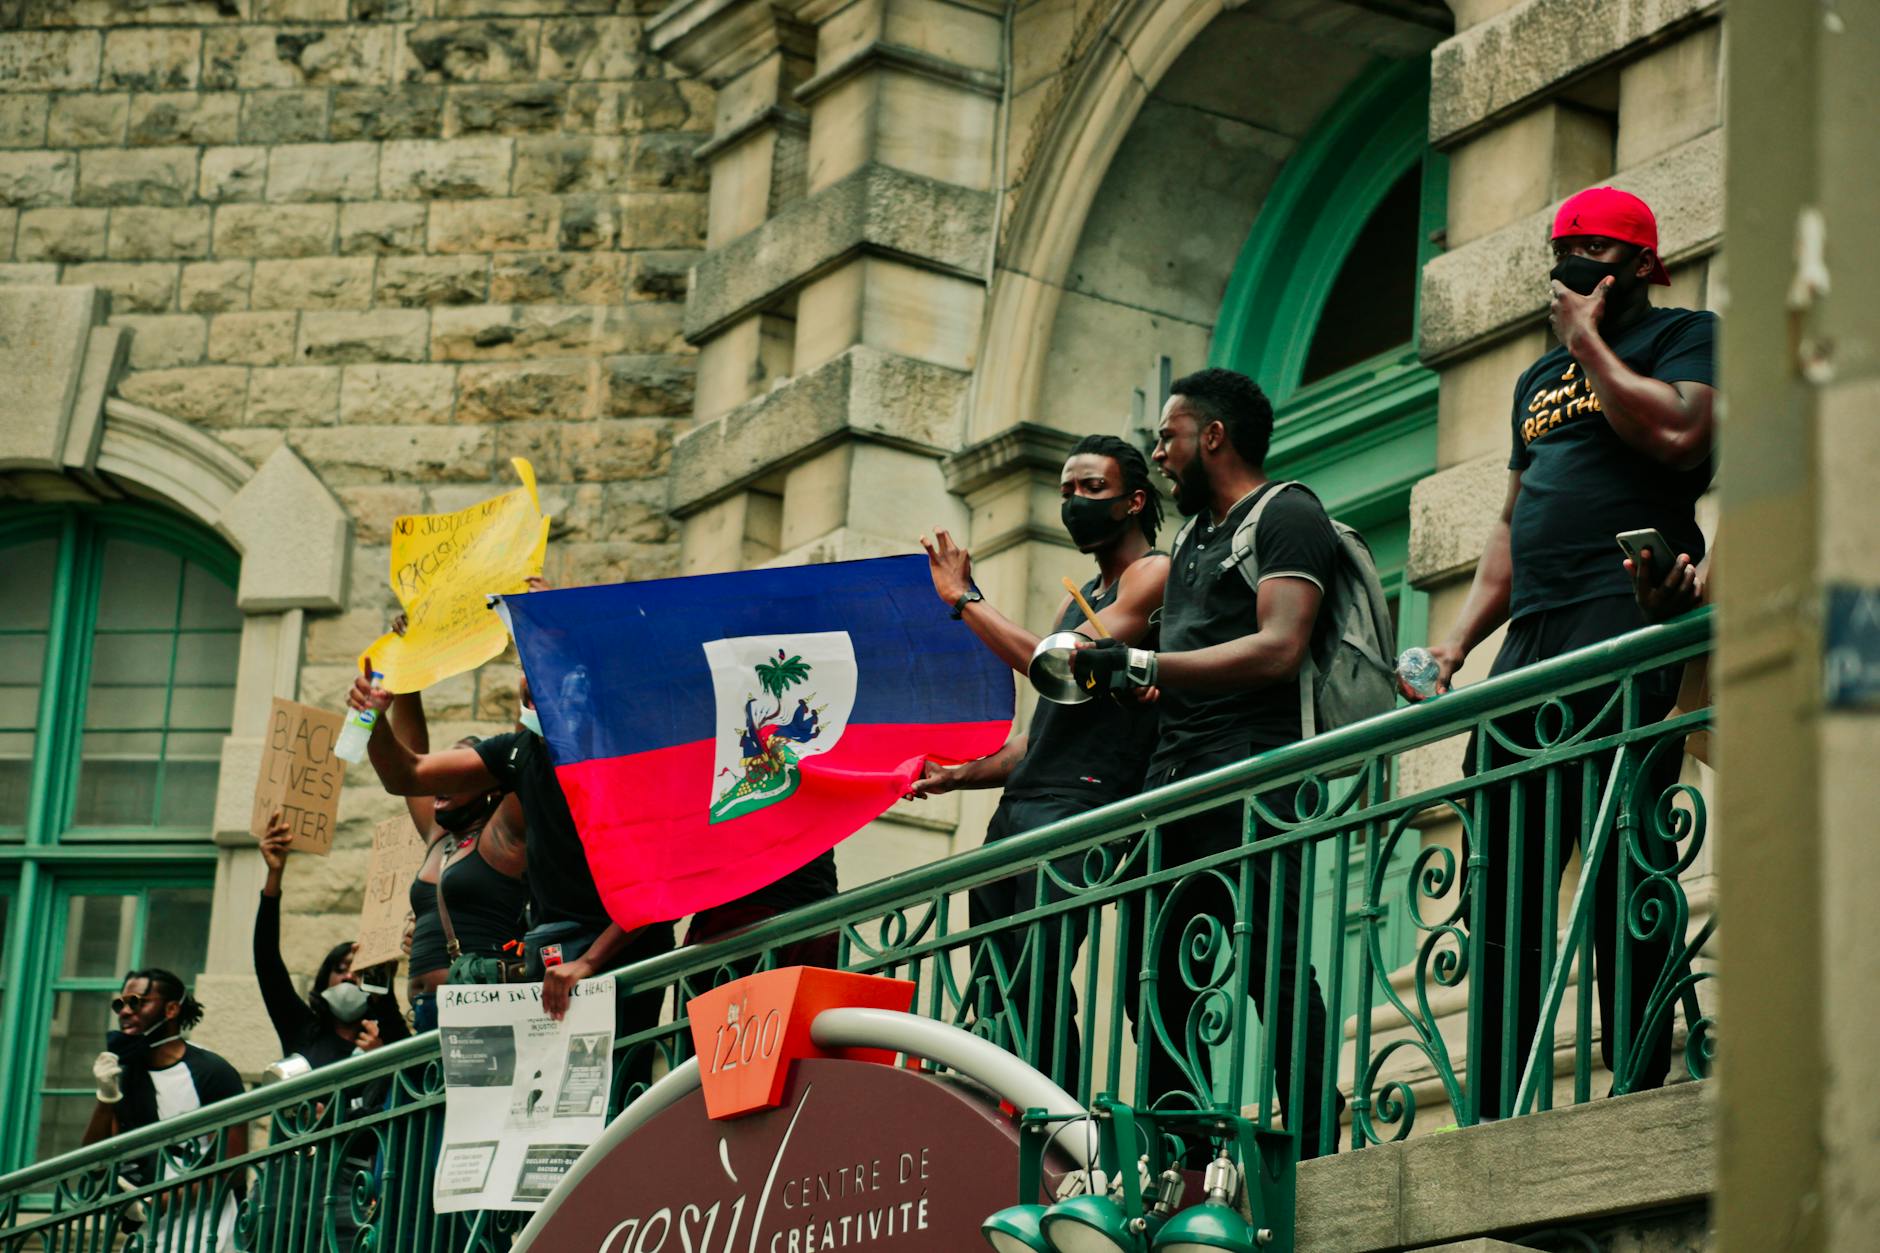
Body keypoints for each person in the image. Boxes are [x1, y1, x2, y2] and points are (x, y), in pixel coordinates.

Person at [1424, 186, 1716, 1117]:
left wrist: (1588, 343)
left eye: (1593, 250)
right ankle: (1502, 1097)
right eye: (1562, 249)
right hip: (1533, 639)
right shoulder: (1533, 383)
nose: (1572, 265)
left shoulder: (1682, 335)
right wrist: (1458, 642)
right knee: (1503, 862)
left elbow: (1680, 434)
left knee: (1623, 845)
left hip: (1626, 618)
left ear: (1639, 263)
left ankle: (1638, 1078)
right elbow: (1511, 520)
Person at [1070, 367, 1342, 1157]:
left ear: (1212, 436)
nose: (1158, 452)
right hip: (1172, 787)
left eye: (1168, 435)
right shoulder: (1189, 539)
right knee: (1152, 985)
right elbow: (1186, 663)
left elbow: (1279, 646)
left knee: (1274, 971)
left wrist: (1150, 667)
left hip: (1253, 779)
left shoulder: (1286, 512)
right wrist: (1141, 686)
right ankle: (1175, 1158)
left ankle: (1320, 1142)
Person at [910, 433, 1169, 1086]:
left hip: (1081, 809)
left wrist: (966, 598)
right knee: (1003, 993)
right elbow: (1045, 731)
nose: (1073, 502)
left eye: (1091, 488)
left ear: (1134, 500)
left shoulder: (1152, 575)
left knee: (1043, 980)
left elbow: (1053, 664)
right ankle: (1022, 1120)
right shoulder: (1078, 593)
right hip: (1018, 810)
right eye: (1065, 490)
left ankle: (1060, 1132)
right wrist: (958, 775)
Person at [348, 672, 673, 1047]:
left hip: (617, 951)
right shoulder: (518, 755)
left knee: (620, 1080)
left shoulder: (616, 761)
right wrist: (370, 716)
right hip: (549, 960)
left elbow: (658, 881)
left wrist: (588, 962)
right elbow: (408, 773)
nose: (527, 673)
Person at [384, 672, 529, 1032]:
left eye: (456, 771)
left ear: (490, 788)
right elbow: (411, 758)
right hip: (425, 1014)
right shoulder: (439, 835)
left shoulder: (504, 836)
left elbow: (522, 756)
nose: (441, 777)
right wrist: (408, 663)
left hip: (482, 1013)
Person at [83, 970, 246, 1245]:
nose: (124, 1011)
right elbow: (94, 1164)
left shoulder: (212, 1072)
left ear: (171, 1009)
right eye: (120, 1004)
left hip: (210, 1232)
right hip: (147, 1235)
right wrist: (106, 1097)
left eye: (137, 1002)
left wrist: (156, 1203)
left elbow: (233, 1170)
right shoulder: (125, 1075)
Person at [255, 812, 410, 1070]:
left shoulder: (386, 1034)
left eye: (358, 972)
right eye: (340, 969)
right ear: (324, 979)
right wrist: (274, 876)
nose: (349, 977)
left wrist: (381, 1056)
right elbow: (267, 960)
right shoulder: (302, 1030)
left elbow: (412, 1084)